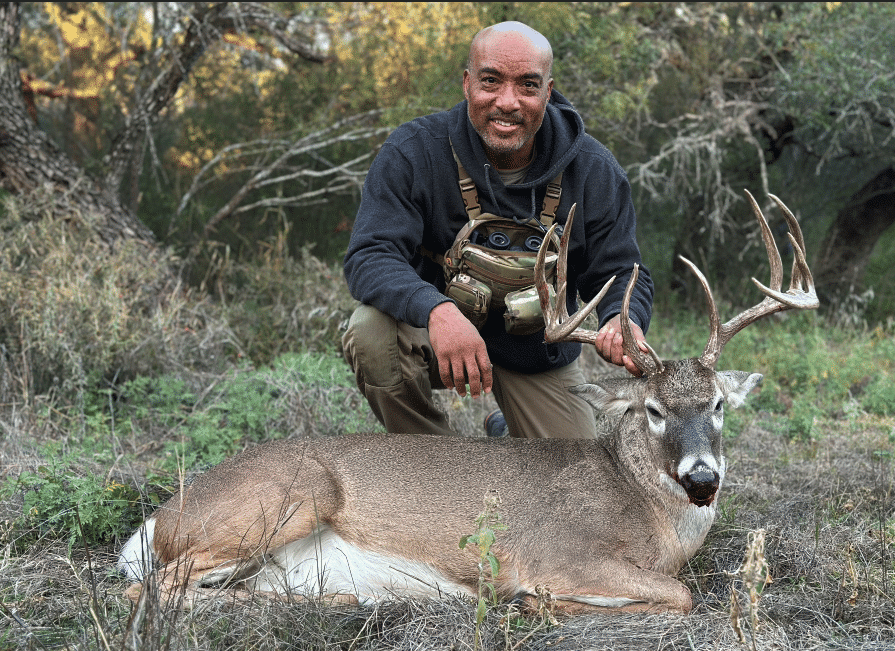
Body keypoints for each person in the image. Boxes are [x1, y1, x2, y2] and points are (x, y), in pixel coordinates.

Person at [341, 21, 653, 439]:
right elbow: (369, 256)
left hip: (538, 353)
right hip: (439, 336)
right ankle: (436, 465)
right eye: (490, 81)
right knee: (370, 333)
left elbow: (622, 271)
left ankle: (506, 436)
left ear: (548, 91)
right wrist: (438, 311)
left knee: (569, 486)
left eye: (527, 85)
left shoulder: (594, 169)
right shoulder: (413, 151)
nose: (507, 101)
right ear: (468, 83)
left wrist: (623, 318)